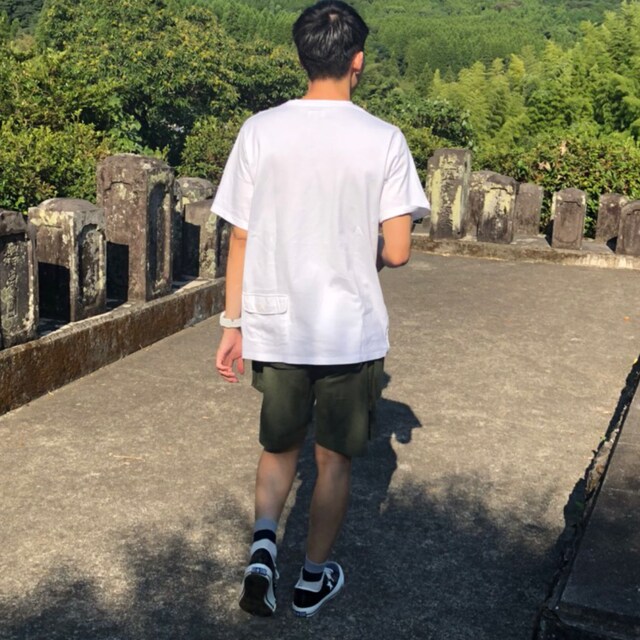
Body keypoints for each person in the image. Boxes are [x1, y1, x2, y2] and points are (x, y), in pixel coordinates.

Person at [213, 0, 429, 619]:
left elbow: (240, 236)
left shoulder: (260, 130)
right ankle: (311, 579)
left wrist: (232, 324)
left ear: (303, 56)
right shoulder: (384, 139)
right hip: (347, 329)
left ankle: (263, 552)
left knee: (279, 448)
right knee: (332, 460)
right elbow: (398, 250)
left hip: (277, 323)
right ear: (357, 61)